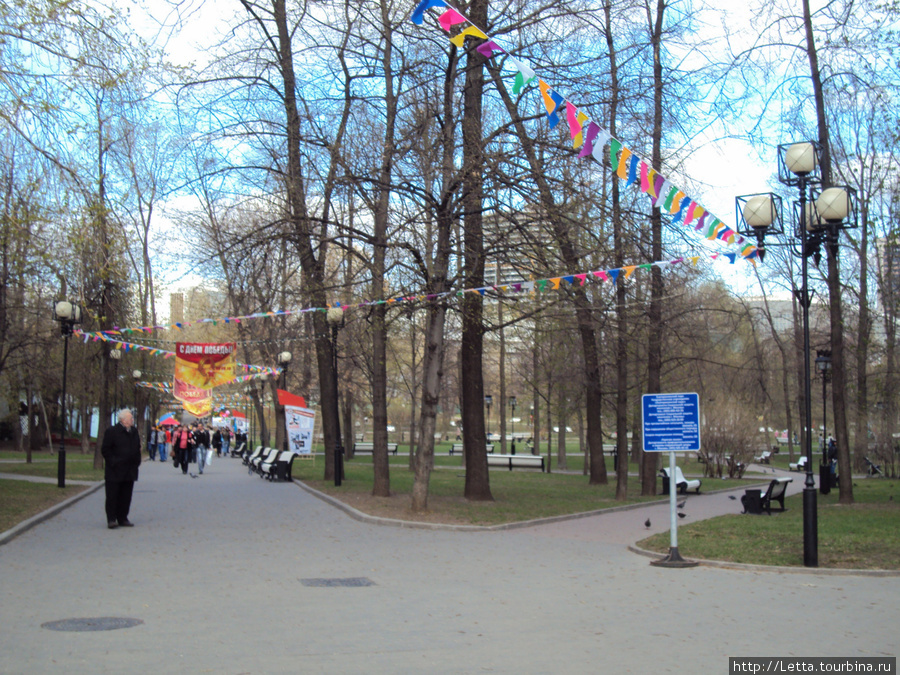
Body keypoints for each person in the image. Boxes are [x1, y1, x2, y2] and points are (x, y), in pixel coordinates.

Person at [101, 409, 142, 529]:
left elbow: (137, 447)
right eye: (130, 418)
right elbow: (105, 450)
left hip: (130, 469)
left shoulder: (134, 431)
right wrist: (113, 462)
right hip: (115, 470)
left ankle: (123, 518)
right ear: (123, 420)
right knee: (113, 495)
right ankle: (111, 519)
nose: (132, 420)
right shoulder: (112, 431)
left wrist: (137, 462)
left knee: (126, 496)